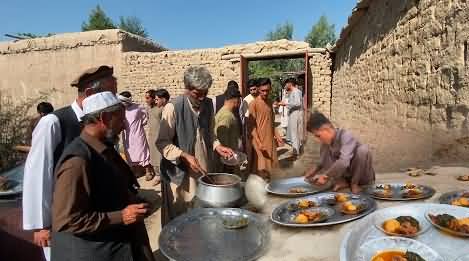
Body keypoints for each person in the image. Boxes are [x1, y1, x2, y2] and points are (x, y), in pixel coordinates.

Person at [22, 65, 117, 261]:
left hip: (92, 219)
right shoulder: (54, 122)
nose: (113, 100)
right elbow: (38, 174)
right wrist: (41, 225)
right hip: (63, 222)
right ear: (90, 93)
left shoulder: (100, 123)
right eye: (110, 93)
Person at [51, 91, 154, 261]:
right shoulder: (77, 162)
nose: (124, 126)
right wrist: (121, 216)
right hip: (96, 252)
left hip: (120, 245)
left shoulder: (104, 149)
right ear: (105, 118)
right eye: (121, 119)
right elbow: (67, 220)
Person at [156, 66, 233, 226]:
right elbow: (162, 142)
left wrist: (218, 146)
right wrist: (184, 155)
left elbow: (210, 134)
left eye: (205, 93)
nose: (202, 97)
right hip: (181, 174)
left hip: (203, 168)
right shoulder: (173, 108)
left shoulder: (208, 104)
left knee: (201, 212)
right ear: (187, 88)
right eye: (198, 94)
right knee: (182, 215)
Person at [304, 112, 376, 194]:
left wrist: (325, 176)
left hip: (362, 176)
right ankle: (342, 182)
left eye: (318, 135)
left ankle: (354, 183)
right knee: (326, 151)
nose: (318, 139)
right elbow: (322, 161)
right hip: (347, 176)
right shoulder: (326, 143)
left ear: (326, 128)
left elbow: (344, 162)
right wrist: (314, 170)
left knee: (363, 150)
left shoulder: (346, 136)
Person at [249, 78, 283, 180]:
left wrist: (277, 136)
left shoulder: (269, 102)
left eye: (267, 90)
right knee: (261, 169)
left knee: (273, 166)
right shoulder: (253, 104)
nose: (265, 93)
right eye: (263, 90)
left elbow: (271, 122)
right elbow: (251, 126)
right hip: (259, 141)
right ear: (258, 89)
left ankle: (271, 189)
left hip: (270, 141)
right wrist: (259, 143)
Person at [119, 91, 155, 182]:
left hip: (138, 133)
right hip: (127, 135)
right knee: (130, 152)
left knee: (142, 151)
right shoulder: (121, 109)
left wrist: (138, 125)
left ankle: (148, 171)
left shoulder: (138, 108)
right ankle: (136, 171)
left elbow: (145, 118)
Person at [214, 87, 242, 173]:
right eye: (239, 100)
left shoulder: (223, 112)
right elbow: (222, 141)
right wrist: (228, 161)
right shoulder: (227, 116)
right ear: (236, 100)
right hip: (227, 160)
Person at [145, 88, 170, 186]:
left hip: (159, 136)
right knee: (153, 156)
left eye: (148, 98)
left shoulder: (161, 108)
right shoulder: (149, 109)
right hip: (151, 135)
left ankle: (161, 175)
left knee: (160, 156)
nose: (146, 100)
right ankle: (157, 174)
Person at [279, 78, 304, 158]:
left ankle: (295, 153)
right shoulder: (295, 92)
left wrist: (285, 104)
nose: (285, 86)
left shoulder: (295, 91)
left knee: (294, 133)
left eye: (286, 84)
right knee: (296, 133)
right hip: (295, 113)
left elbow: (297, 103)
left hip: (295, 114)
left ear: (290, 84)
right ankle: (296, 151)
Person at [239, 79, 258, 171]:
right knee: (251, 149)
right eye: (251, 90)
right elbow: (246, 117)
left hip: (261, 127)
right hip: (251, 128)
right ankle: (250, 168)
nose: (253, 91)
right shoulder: (247, 100)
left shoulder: (261, 97)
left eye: (255, 89)